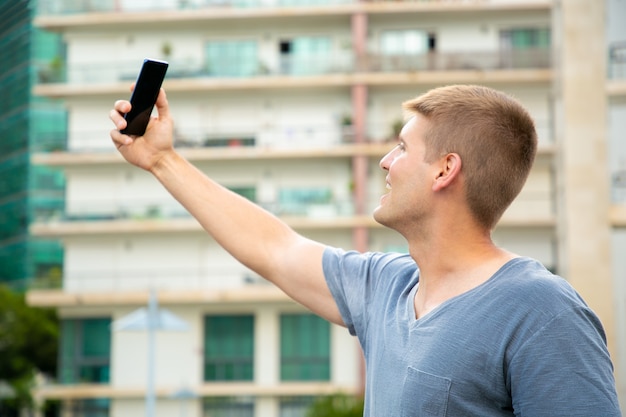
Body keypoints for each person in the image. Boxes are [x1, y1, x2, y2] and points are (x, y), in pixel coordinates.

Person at [110, 84, 622, 416]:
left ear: (446, 169)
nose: (384, 161)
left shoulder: (544, 313)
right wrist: (162, 161)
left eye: (401, 147)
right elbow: (274, 248)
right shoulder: (388, 286)